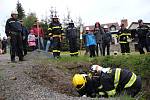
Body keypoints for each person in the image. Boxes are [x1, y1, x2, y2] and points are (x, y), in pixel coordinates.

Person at [72, 65, 142, 98]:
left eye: (93, 74)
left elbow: (111, 94)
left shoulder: (105, 79)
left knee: (120, 98)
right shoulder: (104, 72)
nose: (92, 76)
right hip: (131, 80)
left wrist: (98, 95)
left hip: (133, 84)